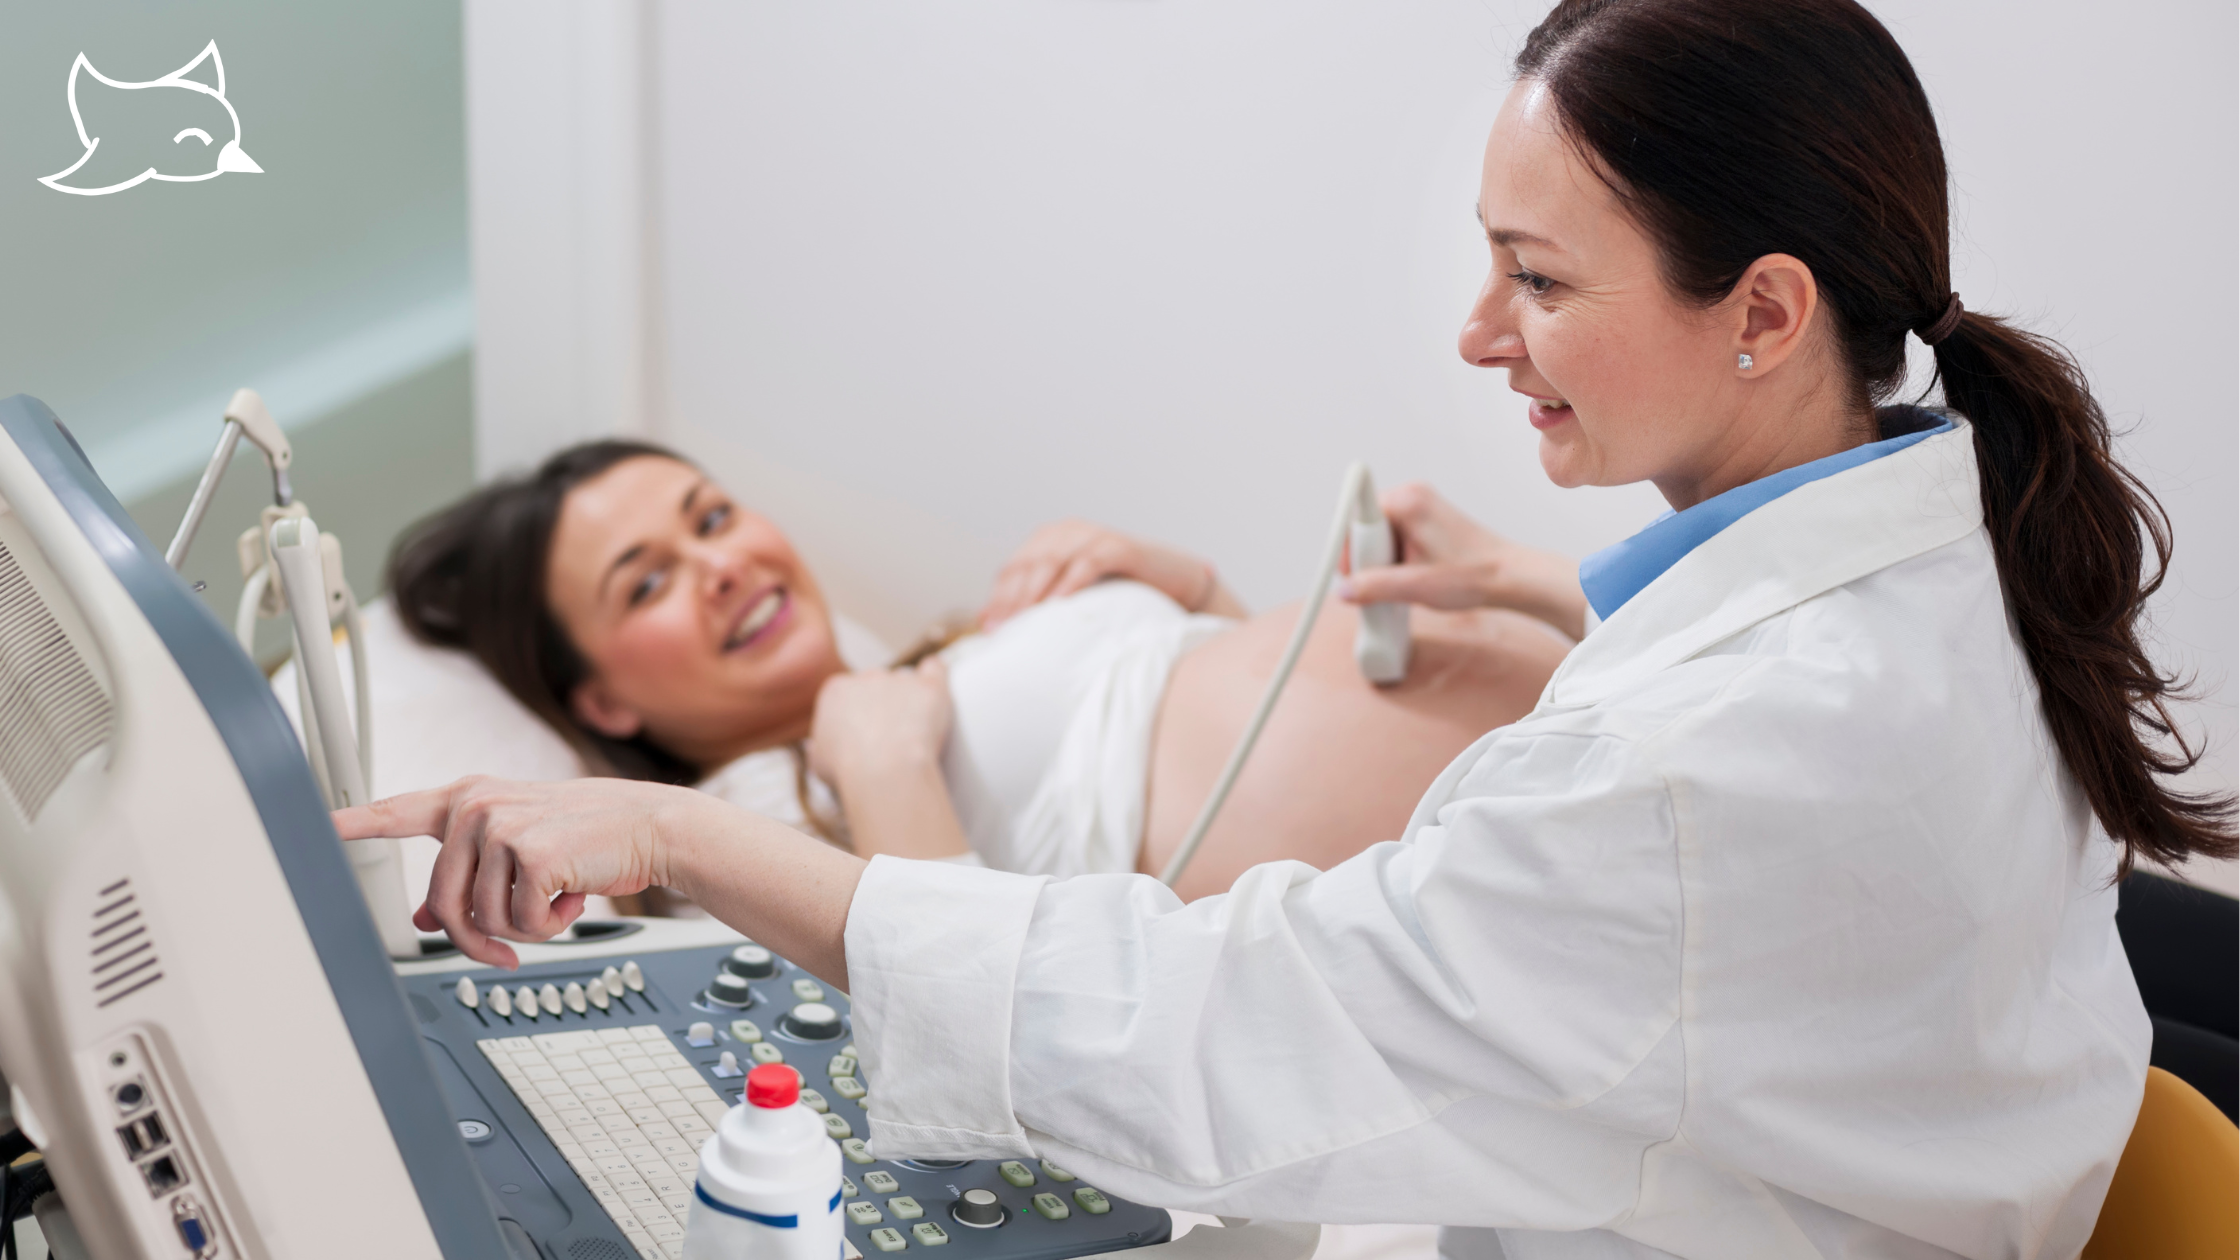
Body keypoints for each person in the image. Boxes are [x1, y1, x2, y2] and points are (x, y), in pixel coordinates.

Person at [340, 0, 2237, 1253]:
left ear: (1764, 313)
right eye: (644, 583)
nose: (1479, 338)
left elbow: (1201, 1035)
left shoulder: (1708, 759)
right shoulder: (1924, 515)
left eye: (1535, 278)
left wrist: (690, 830)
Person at [385, 441, 1572, 898]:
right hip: (1514, 862)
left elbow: (1217, 714)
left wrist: (1180, 583)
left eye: (710, 518)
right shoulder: (736, 829)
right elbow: (961, 1001)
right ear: (602, 701)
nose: (719, 567)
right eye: (643, 583)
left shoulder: (945, 647)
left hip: (1573, 722)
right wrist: (883, 764)